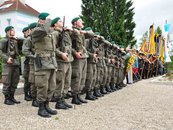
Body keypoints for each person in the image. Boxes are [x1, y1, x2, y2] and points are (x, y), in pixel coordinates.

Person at [31, 12, 57, 118]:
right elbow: (45, 29)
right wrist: (49, 20)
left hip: (50, 62)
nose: (48, 22)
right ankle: (41, 108)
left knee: (52, 86)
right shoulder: (37, 31)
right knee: (42, 86)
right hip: (42, 62)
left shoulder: (48, 32)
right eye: (46, 20)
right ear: (41, 20)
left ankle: (47, 105)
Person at [51, 17, 73, 109]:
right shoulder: (55, 33)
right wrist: (61, 54)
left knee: (67, 81)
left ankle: (63, 99)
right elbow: (53, 48)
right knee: (60, 81)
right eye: (59, 21)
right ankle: (58, 101)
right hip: (61, 61)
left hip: (68, 60)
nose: (61, 22)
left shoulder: (64, 33)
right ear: (55, 24)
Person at [71, 17, 94, 105]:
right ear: (75, 22)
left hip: (84, 57)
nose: (82, 22)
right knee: (77, 77)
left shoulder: (82, 32)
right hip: (77, 58)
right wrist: (74, 52)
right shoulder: (72, 31)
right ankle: (74, 96)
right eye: (80, 21)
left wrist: (84, 32)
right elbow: (69, 45)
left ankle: (78, 95)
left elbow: (92, 34)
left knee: (82, 77)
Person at [0, 26, 21, 105]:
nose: (14, 31)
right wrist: (6, 58)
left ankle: (12, 97)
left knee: (15, 81)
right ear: (8, 31)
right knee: (7, 81)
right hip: (8, 64)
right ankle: (6, 99)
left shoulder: (14, 40)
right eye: (12, 30)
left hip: (15, 63)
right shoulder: (3, 40)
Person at [22, 22, 38, 107]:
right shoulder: (29, 39)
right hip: (30, 62)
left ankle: (34, 96)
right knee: (30, 80)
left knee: (36, 80)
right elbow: (25, 51)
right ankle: (29, 95)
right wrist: (33, 56)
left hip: (38, 63)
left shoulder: (38, 38)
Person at [22, 26, 32, 101]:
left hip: (31, 62)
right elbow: (25, 51)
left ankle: (31, 94)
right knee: (27, 80)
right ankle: (26, 94)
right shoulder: (26, 40)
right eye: (26, 31)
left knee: (31, 80)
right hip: (27, 63)